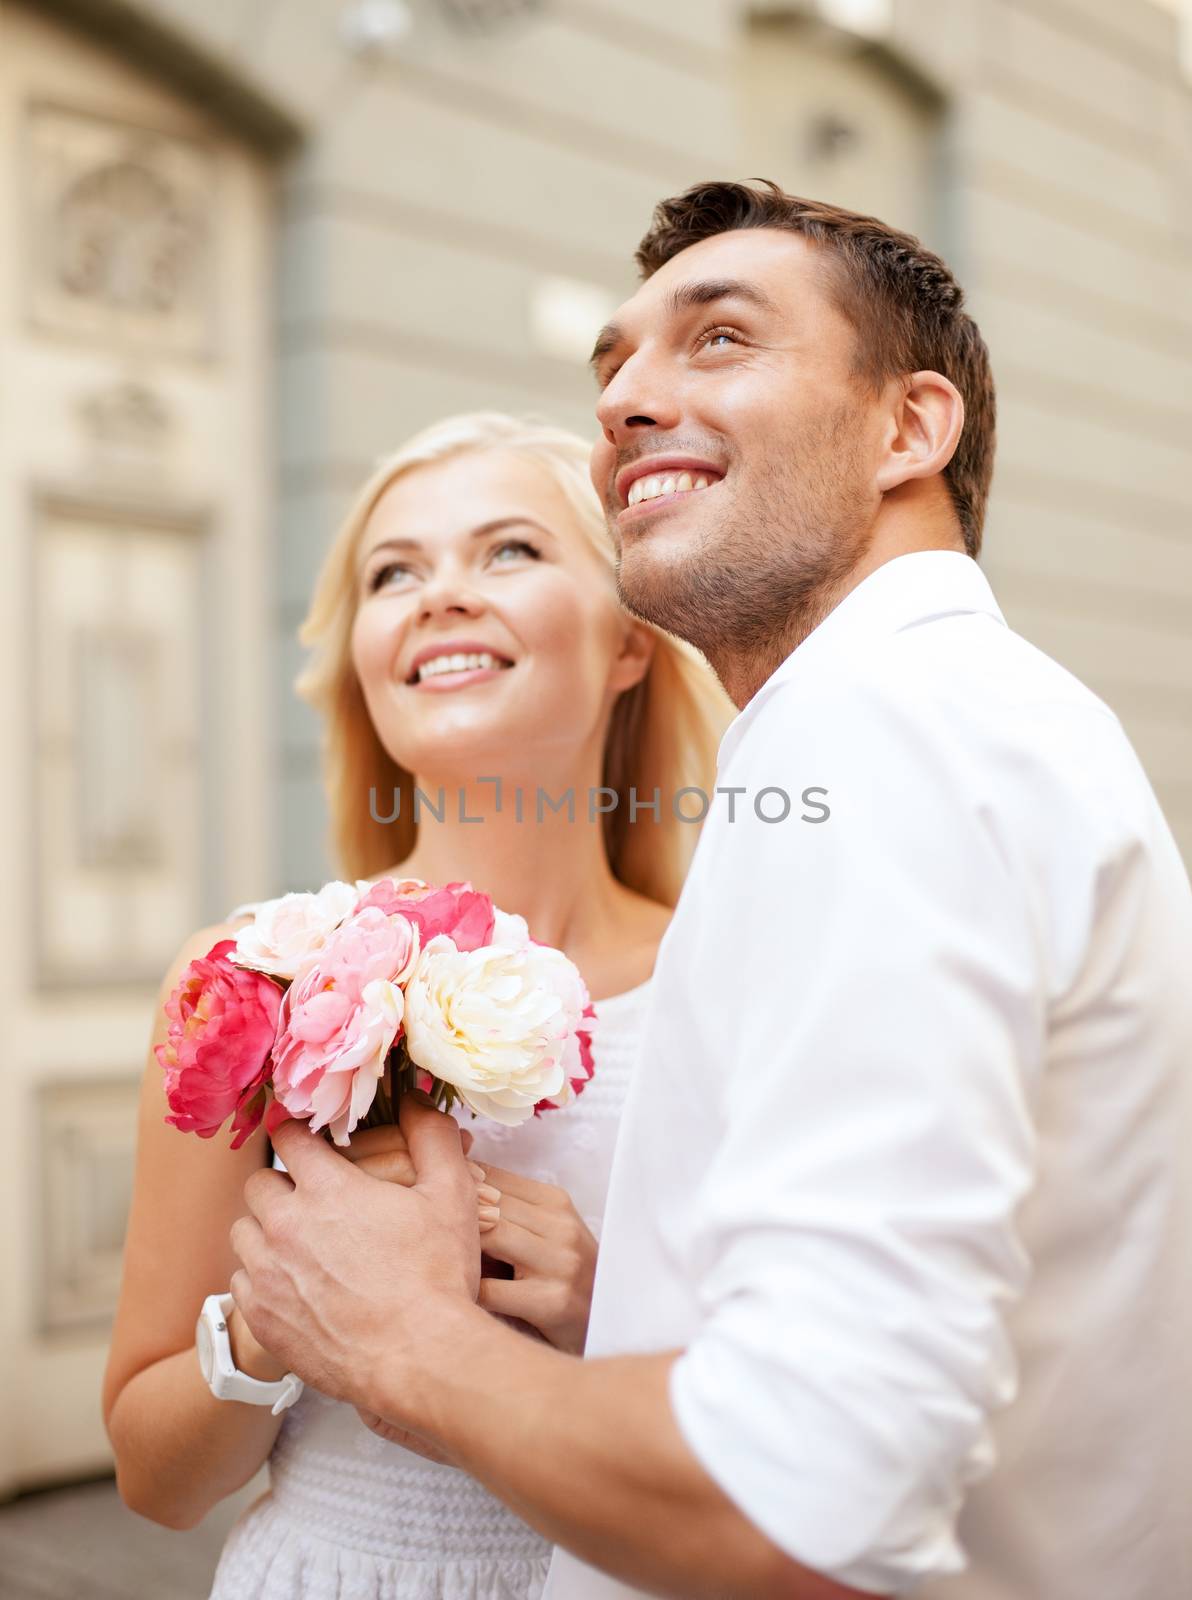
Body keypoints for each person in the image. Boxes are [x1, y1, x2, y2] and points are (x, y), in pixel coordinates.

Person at [228, 182, 1192, 1600]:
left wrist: (399, 1342)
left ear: (910, 429)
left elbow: (807, 1490)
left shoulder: (885, 729)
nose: (625, 401)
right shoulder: (937, 722)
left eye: (720, 339)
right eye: (612, 363)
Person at [101, 411, 732, 1598]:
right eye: (395, 573)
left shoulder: (735, 974)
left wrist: (613, 1311)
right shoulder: (248, 978)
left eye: (508, 552)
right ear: (365, 659)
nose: (441, 594)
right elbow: (155, 1477)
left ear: (629, 643)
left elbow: (830, 1407)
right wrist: (276, 1323)